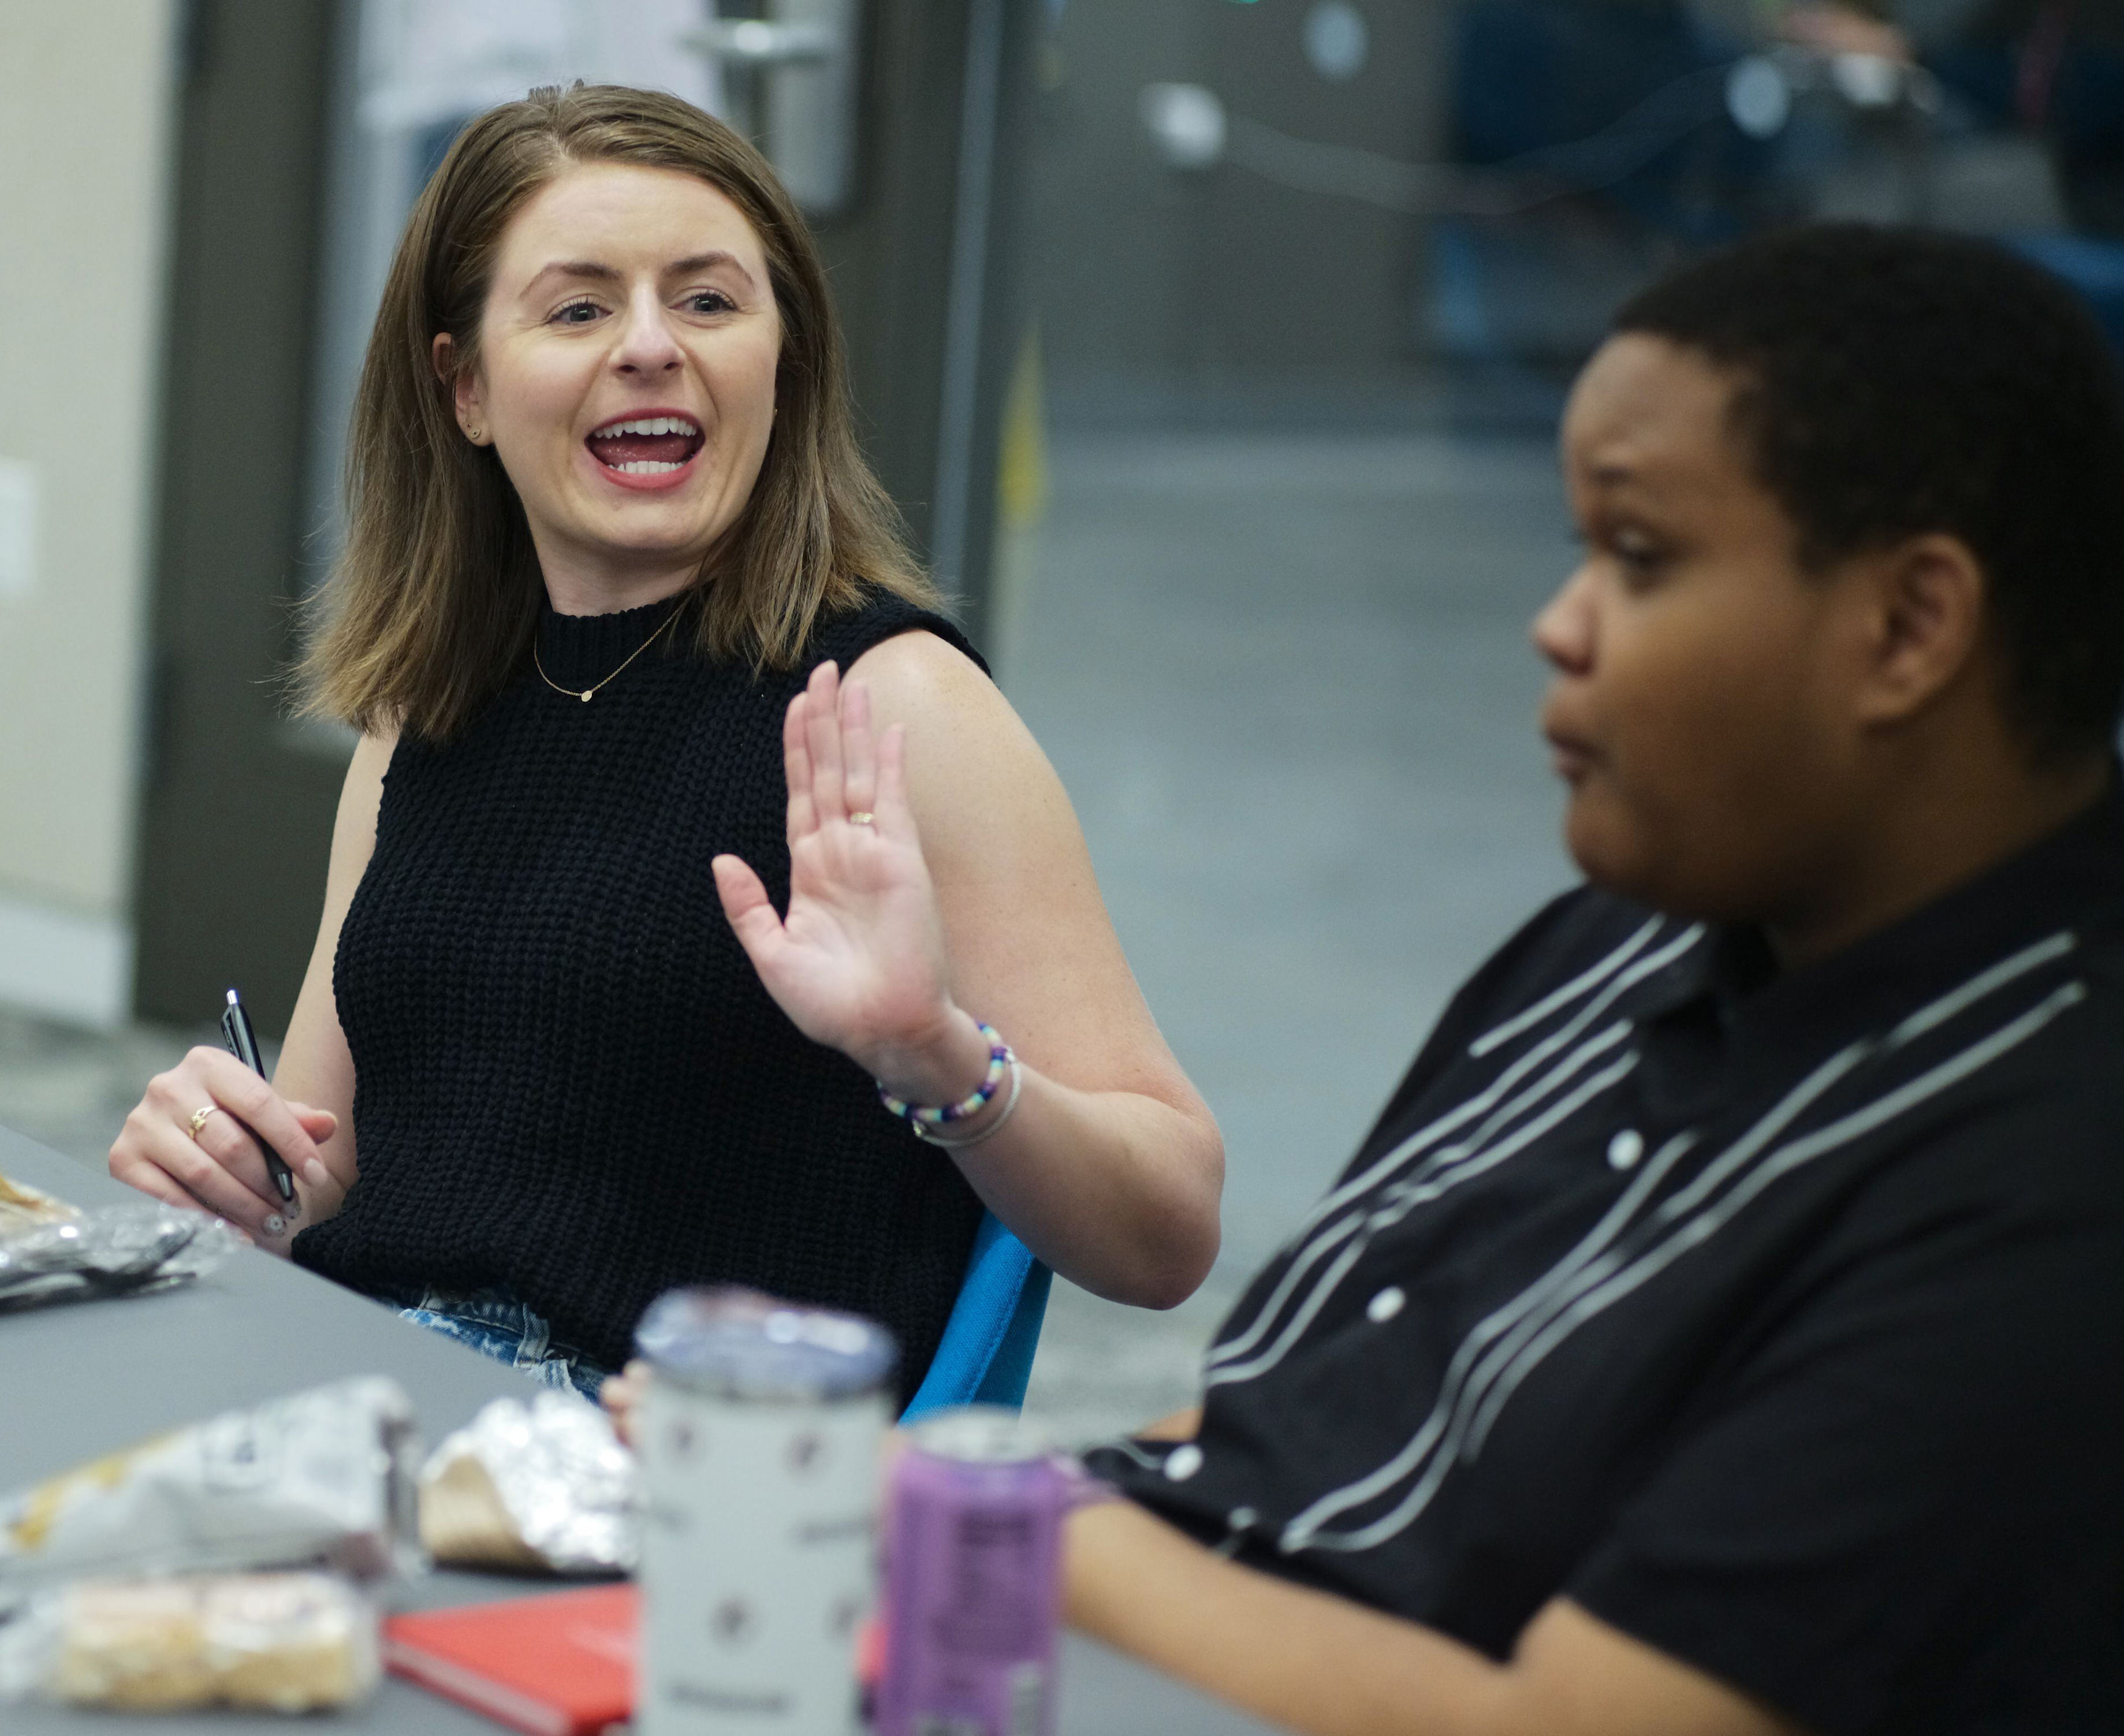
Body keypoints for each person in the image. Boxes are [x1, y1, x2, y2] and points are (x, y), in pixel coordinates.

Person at [766, 224, 2122, 1731]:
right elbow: (1265, 1417)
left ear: (1906, 625)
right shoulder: (1631, 937)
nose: (1558, 624)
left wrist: (964, 1507)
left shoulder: (2041, 1182)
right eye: (1577, 552)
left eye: (1639, 556)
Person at [106, 84, 1222, 1404]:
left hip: (677, 1489)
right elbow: (331, 1179)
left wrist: (936, 1056)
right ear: (461, 385)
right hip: (380, 1416)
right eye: (578, 308)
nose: (650, 346)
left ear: (781, 360)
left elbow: (1168, 1232)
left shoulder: (895, 707)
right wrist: (225, 1163)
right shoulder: (427, 703)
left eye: (706, 301)